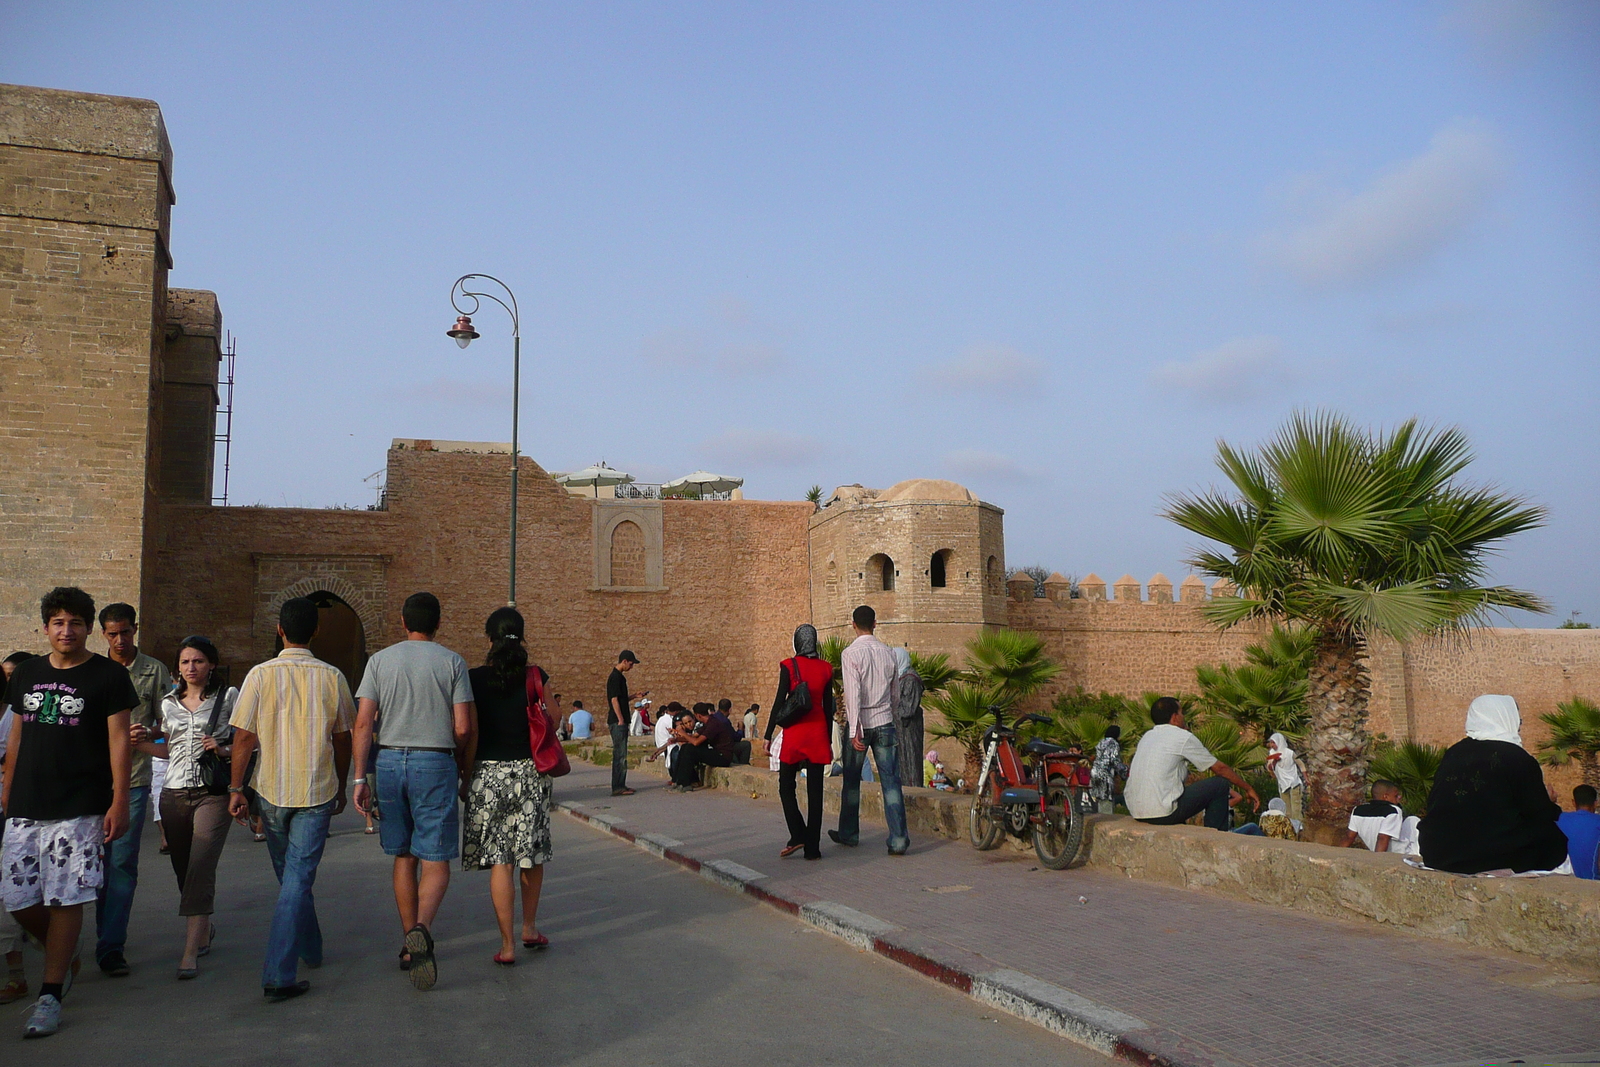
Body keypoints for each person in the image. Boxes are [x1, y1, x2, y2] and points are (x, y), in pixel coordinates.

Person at [2, 587, 137, 1038]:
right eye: (58, 622)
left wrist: (119, 799)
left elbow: (120, 740)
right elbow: (17, 734)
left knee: (68, 896)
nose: (67, 630)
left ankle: (50, 995)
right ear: (45, 628)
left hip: (80, 804)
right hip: (26, 803)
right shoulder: (25, 675)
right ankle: (64, 950)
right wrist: (7, 789)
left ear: (87, 629)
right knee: (17, 899)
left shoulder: (108, 678)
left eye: (76, 623)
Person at [226, 597, 355, 1003]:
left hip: (272, 791)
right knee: (296, 879)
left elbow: (243, 737)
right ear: (315, 631)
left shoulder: (260, 675)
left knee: (292, 877)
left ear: (280, 630)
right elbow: (342, 736)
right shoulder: (333, 676)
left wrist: (235, 789)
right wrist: (341, 781)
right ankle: (289, 965)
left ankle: (300, 956)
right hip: (315, 789)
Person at [351, 592, 475, 992]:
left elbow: (364, 723)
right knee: (436, 857)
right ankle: (423, 927)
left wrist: (358, 778)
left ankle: (409, 944)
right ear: (438, 624)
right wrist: (459, 763)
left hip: (388, 762)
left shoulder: (379, 661)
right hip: (433, 759)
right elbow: (462, 727)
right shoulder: (452, 662)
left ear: (403, 622)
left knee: (403, 855)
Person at [463, 608, 554, 964]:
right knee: (530, 856)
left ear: (489, 639)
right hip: (530, 773)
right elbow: (554, 721)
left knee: (501, 860)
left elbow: (468, 731)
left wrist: (465, 774)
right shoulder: (535, 676)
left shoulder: (474, 678)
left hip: (488, 775)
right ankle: (529, 928)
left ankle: (507, 946)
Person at [143, 635, 238, 978]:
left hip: (212, 791)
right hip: (173, 793)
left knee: (200, 863)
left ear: (211, 664)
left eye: (198, 661)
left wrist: (223, 749)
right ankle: (203, 925)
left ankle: (189, 952)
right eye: (185, 662)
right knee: (184, 869)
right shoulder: (169, 703)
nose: (191, 668)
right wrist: (141, 745)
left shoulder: (228, 697)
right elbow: (168, 750)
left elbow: (247, 742)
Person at [93, 602, 171, 978]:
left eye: (126, 632)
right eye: (112, 634)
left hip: (136, 779)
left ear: (135, 629)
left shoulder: (153, 670)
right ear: (103, 634)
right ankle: (95, 933)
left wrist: (149, 733)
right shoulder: (93, 670)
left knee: (121, 863)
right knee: (92, 864)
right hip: (92, 781)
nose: (120, 640)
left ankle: (110, 946)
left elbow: (167, 720)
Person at [1418, 695, 1568, 875]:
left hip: (1437, 854)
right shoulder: (1518, 758)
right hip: (1489, 857)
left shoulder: (1453, 753)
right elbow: (1539, 812)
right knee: (1554, 837)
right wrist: (1550, 802)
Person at [830, 605, 910, 856]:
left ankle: (849, 833)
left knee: (852, 782)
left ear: (853, 625)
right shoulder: (889, 653)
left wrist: (854, 729)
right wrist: (888, 713)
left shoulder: (850, 654)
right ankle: (898, 839)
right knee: (891, 782)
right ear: (875, 623)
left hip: (861, 725)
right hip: (885, 721)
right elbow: (895, 694)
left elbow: (852, 694)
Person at [1125, 697, 1260, 831]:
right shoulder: (1182, 737)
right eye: (1181, 713)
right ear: (1174, 717)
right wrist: (1248, 788)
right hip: (1162, 813)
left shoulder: (1147, 736)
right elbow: (1220, 768)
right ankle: (1216, 838)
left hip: (1136, 811)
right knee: (1220, 784)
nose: (1183, 717)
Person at [768, 625, 835, 859]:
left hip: (795, 733)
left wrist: (768, 735)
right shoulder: (827, 669)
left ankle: (798, 833)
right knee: (815, 792)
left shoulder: (789, 665)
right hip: (818, 733)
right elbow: (829, 708)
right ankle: (813, 848)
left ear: (797, 642)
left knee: (786, 786)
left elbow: (779, 702)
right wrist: (828, 739)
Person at [0, 652, 33, 1005]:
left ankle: (17, 977)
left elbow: (22, 757)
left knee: (8, 897)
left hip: (11, 811)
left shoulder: (14, 717)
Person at [669, 703, 739, 792]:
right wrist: (677, 739)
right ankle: (677, 781)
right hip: (716, 752)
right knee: (685, 747)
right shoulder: (708, 723)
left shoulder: (713, 724)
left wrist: (683, 733)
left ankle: (685, 784)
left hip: (723, 757)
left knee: (690, 749)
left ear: (698, 715)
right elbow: (694, 736)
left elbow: (696, 742)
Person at [1339, 780, 1419, 855]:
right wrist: (1378, 860)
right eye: (1396, 796)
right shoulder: (1393, 810)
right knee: (1413, 820)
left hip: (1374, 848)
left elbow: (1349, 837)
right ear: (1386, 797)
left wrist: (1337, 853)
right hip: (1392, 853)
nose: (1399, 798)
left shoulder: (1357, 810)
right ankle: (1418, 855)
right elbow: (1383, 838)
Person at [606, 652, 639, 797]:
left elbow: (621, 698)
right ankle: (618, 787)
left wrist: (634, 696)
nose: (631, 667)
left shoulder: (619, 677)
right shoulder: (615, 677)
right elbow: (614, 700)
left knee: (621, 754)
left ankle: (620, 784)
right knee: (619, 755)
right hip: (617, 721)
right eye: (631, 664)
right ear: (624, 661)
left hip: (620, 720)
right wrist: (620, 719)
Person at [892, 648, 925, 788]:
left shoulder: (910, 679)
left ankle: (914, 795)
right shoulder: (900, 677)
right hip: (900, 730)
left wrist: (890, 709)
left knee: (911, 764)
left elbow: (908, 709)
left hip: (909, 729)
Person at [1558, 785, 1600, 880]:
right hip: (1593, 880)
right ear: (1595, 803)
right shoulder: (1598, 822)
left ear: (1573, 802)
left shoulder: (1562, 819)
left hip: (1568, 878)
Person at [1265, 733, 1305, 826]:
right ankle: (1289, 828)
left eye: (1273, 743)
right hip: (1282, 784)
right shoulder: (1272, 753)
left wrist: (1306, 778)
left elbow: (1301, 764)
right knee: (1286, 809)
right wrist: (1274, 761)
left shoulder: (1289, 753)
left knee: (1296, 809)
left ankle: (1299, 828)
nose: (1272, 745)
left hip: (1293, 783)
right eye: (1271, 743)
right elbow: (1269, 768)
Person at [1090, 725, 1129, 815]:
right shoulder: (1114, 744)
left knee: (1098, 799)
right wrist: (1125, 771)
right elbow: (1115, 761)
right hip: (1105, 775)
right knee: (1106, 801)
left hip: (1095, 772)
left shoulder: (1101, 742)